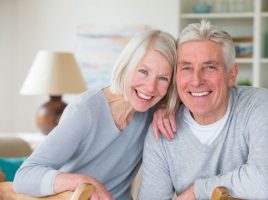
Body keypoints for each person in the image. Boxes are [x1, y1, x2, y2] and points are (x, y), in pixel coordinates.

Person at [14, 29, 177, 200]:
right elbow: (24, 177)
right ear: (126, 66)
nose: (151, 87)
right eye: (143, 72)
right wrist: (81, 181)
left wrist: (167, 107)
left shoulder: (153, 111)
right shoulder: (85, 111)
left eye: (163, 78)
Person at [138, 20, 268, 200]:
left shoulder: (258, 105)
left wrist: (197, 191)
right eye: (186, 68)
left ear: (232, 75)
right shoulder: (162, 130)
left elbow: (265, 183)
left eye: (209, 67)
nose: (196, 81)